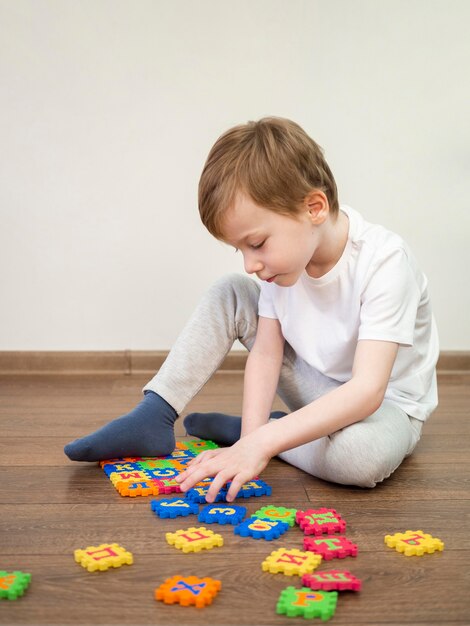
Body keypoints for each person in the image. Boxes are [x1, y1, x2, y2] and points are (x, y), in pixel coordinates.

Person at [64, 117, 439, 503]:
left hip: (385, 409)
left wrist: (259, 443)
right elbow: (266, 352)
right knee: (230, 290)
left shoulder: (385, 261)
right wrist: (249, 441)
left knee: (361, 459)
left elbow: (366, 391)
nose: (250, 264)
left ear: (314, 208)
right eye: (240, 249)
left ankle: (275, 433)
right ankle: (156, 412)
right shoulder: (282, 266)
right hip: (315, 390)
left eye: (256, 243)